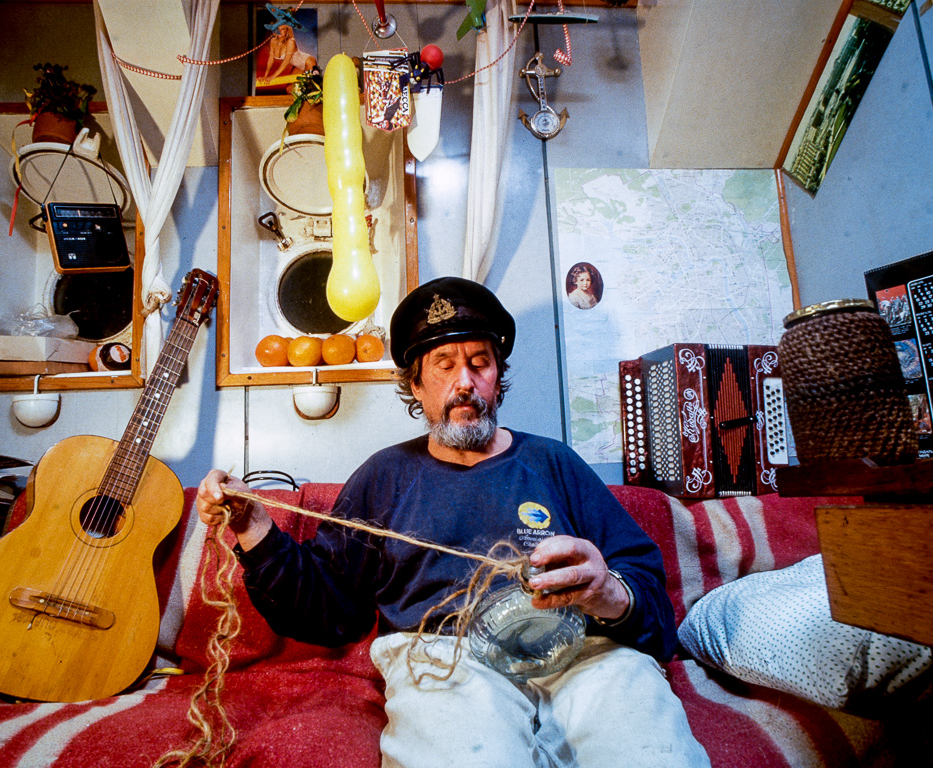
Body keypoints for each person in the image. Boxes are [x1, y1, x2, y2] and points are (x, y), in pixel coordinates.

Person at [196, 277, 710, 767]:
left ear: (497, 379)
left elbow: (647, 597)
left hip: (583, 653)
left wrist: (608, 593)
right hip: (446, 662)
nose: (464, 382)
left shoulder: (553, 462)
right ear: (416, 385)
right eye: (443, 364)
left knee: (649, 751)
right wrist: (254, 526)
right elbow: (330, 612)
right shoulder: (385, 476)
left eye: (479, 362)